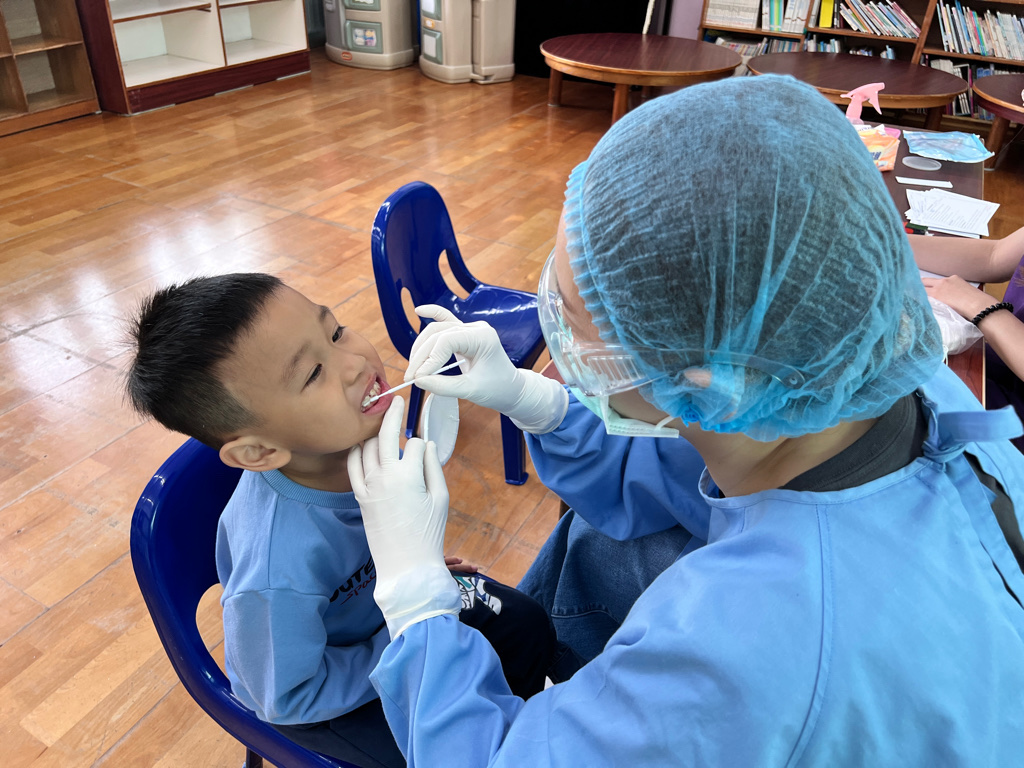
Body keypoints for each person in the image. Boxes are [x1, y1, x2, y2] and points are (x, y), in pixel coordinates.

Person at [346, 75, 1024, 766]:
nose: (557, 338)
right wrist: (536, 402)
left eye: (573, 318)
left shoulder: (741, 649)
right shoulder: (864, 375)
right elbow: (681, 463)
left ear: (710, 382)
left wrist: (417, 606)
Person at [123, 274, 557, 768]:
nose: (354, 363)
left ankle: (521, 733)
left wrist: (419, 569)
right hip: (320, 696)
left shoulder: (351, 441)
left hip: (380, 620)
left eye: (335, 331)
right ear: (260, 452)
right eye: (313, 374)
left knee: (526, 625)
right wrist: (405, 626)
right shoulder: (275, 570)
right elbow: (284, 695)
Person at [912, 225, 1024, 452]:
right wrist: (885, 238)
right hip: (1003, 357)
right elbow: (994, 257)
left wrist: (980, 306)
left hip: (1012, 425)